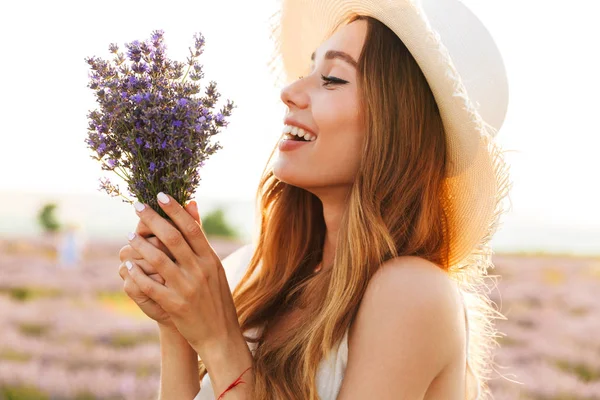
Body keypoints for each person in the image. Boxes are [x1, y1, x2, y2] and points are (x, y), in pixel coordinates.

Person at [117, 0, 511, 398]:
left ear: (397, 126)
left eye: (333, 79)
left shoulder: (413, 292)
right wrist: (177, 326)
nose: (290, 92)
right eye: (307, 71)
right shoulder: (259, 277)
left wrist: (220, 341)